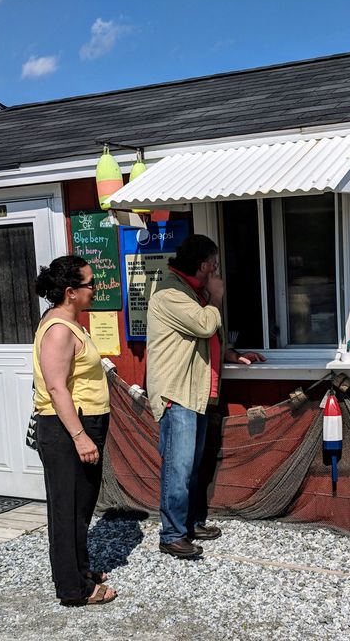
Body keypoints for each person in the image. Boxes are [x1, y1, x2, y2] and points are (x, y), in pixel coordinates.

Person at [146, 234, 264, 558]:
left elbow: (203, 339)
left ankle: (190, 523)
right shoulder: (171, 294)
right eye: (213, 265)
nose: (216, 271)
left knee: (192, 466)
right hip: (177, 394)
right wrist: (216, 298)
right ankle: (171, 535)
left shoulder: (190, 292)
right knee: (179, 468)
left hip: (193, 393)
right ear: (202, 266)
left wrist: (229, 353)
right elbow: (202, 325)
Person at [33, 255, 117, 606]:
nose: (95, 289)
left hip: (82, 424)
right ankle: (73, 590)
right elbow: (56, 388)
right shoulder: (58, 330)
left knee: (80, 508)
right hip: (66, 429)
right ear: (70, 292)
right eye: (90, 283)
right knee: (66, 511)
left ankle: (80, 570)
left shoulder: (72, 323)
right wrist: (80, 436)